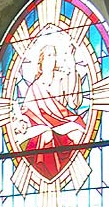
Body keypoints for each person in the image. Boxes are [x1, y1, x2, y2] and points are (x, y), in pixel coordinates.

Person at [19, 43, 86, 181]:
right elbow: (27, 113)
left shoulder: (62, 78)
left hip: (64, 122)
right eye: (49, 55)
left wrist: (72, 68)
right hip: (44, 127)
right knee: (46, 136)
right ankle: (48, 173)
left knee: (78, 134)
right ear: (41, 61)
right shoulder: (34, 87)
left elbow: (74, 102)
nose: (52, 59)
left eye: (54, 55)